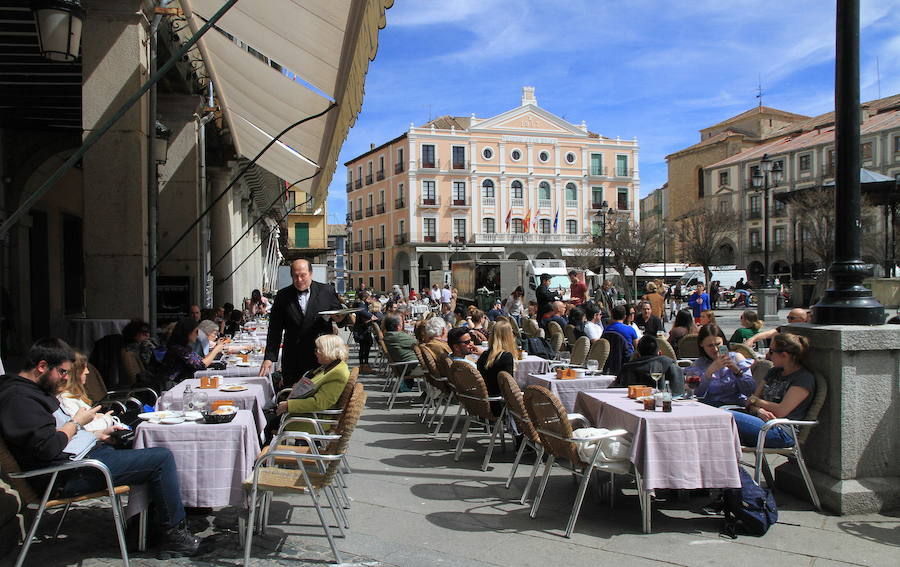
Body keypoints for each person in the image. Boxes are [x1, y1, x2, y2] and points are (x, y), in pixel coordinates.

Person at [0, 338, 199, 555]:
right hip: (67, 474)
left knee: (147, 440)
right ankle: (175, 536)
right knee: (161, 459)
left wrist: (97, 434)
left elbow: (57, 436)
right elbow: (48, 447)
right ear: (41, 366)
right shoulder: (18, 399)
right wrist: (76, 423)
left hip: (81, 458)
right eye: (62, 372)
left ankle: (146, 527)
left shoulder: (32, 391)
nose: (65, 378)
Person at [261, 259, 344, 387]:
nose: (299, 280)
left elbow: (340, 317)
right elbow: (274, 330)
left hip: (322, 357)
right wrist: (269, 357)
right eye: (295, 276)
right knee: (292, 399)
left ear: (311, 273)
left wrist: (341, 318)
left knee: (318, 399)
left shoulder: (326, 291)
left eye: (303, 275)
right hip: (293, 357)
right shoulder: (283, 296)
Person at [731, 333, 817, 448]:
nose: (767, 355)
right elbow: (750, 402)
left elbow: (781, 411)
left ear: (784, 355)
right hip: (761, 422)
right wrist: (758, 410)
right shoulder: (773, 372)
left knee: (726, 417)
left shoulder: (803, 379)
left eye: (771, 351)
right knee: (720, 420)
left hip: (781, 431)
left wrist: (755, 401)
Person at [275, 334, 351, 430]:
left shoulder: (338, 373)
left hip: (314, 420)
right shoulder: (329, 366)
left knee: (267, 422)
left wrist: (289, 405)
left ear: (329, 350)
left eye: (318, 350)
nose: (316, 353)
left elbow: (319, 403)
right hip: (306, 414)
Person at [685, 324, 755, 407]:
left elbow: (750, 390)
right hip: (710, 407)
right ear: (701, 344)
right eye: (710, 345)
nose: (715, 349)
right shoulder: (699, 364)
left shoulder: (736, 358)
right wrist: (708, 374)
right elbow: (696, 394)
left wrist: (736, 371)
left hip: (734, 407)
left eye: (718, 344)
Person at [157, 317, 225, 387]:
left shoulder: (184, 347)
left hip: (182, 382)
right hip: (172, 385)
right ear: (187, 332)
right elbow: (201, 365)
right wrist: (216, 350)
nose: (198, 334)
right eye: (196, 331)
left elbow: (200, 360)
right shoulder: (178, 349)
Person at [614, 335, 684, 395]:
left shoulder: (627, 368)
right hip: (665, 403)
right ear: (659, 353)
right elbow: (679, 392)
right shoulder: (670, 365)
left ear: (638, 354)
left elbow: (617, 389)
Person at [476, 319, 517, 411]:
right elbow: (509, 385)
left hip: (485, 401)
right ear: (509, 336)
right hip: (500, 403)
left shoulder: (484, 355)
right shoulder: (506, 357)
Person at [745, 308, 809, 347]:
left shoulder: (808, 330)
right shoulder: (786, 327)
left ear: (802, 319)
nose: (789, 320)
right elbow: (769, 333)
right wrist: (752, 339)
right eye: (788, 317)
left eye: (792, 318)